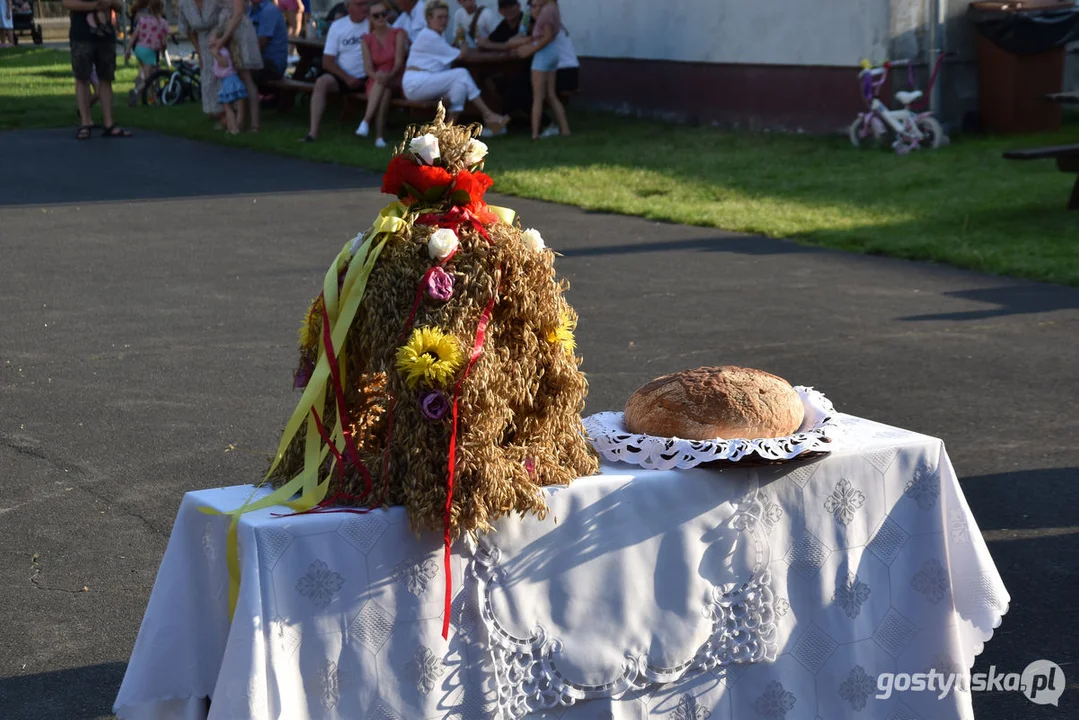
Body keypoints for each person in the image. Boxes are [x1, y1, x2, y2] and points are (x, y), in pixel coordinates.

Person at [401, 0, 508, 129]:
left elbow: (448, 52)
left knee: (459, 87)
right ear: (429, 18)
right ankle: (488, 114)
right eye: (439, 17)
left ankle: (446, 132)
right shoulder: (428, 36)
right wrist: (461, 39)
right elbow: (462, 54)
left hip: (426, 80)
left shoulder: (438, 35)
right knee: (461, 73)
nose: (444, 21)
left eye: (446, 17)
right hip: (415, 83)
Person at [64, 0, 133, 138]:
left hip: (106, 36)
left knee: (106, 78)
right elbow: (67, 3)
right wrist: (93, 5)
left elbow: (121, 7)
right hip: (82, 35)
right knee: (82, 77)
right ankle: (85, 123)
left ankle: (109, 124)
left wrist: (110, 3)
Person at [301, 0, 367, 141]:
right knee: (321, 82)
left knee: (381, 85)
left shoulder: (374, 23)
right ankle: (312, 133)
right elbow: (327, 62)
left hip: (368, 76)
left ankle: (375, 133)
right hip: (343, 76)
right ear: (348, 7)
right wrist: (347, 77)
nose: (365, 8)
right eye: (360, 4)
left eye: (366, 3)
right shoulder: (338, 26)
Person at [513, 0, 568, 139]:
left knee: (537, 96)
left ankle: (535, 134)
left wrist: (530, 50)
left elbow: (547, 37)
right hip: (552, 53)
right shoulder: (552, 8)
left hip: (543, 54)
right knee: (550, 94)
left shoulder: (547, 11)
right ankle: (565, 129)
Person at [355, 0, 405, 148]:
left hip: (396, 76)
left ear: (388, 15)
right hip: (376, 79)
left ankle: (366, 121)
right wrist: (380, 77)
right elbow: (368, 68)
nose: (381, 18)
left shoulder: (398, 33)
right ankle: (379, 137)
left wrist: (386, 76)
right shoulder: (367, 39)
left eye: (384, 14)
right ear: (370, 18)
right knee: (384, 90)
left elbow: (398, 63)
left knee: (384, 82)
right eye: (376, 15)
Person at [213, 0, 265, 131]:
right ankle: (237, 121)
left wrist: (223, 39)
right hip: (229, 31)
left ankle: (254, 124)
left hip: (237, 33)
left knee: (246, 77)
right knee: (235, 78)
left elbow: (238, 14)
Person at [124, 0, 170, 106]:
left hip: (139, 49)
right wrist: (163, 51)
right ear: (162, 8)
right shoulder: (163, 23)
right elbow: (164, 42)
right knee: (149, 78)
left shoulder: (143, 20)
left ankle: (151, 96)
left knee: (148, 73)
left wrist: (128, 50)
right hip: (150, 51)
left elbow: (134, 36)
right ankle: (138, 92)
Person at [212, 28, 248, 132]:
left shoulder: (221, 51)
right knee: (240, 106)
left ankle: (233, 128)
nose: (210, 39)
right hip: (232, 80)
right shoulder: (226, 50)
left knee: (228, 107)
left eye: (212, 37)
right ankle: (239, 126)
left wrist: (215, 54)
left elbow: (225, 64)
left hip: (229, 81)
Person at [247, 0, 288, 81]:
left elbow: (260, 44)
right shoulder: (250, 10)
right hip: (259, 60)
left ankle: (252, 93)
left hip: (272, 63)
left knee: (239, 69)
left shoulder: (269, 10)